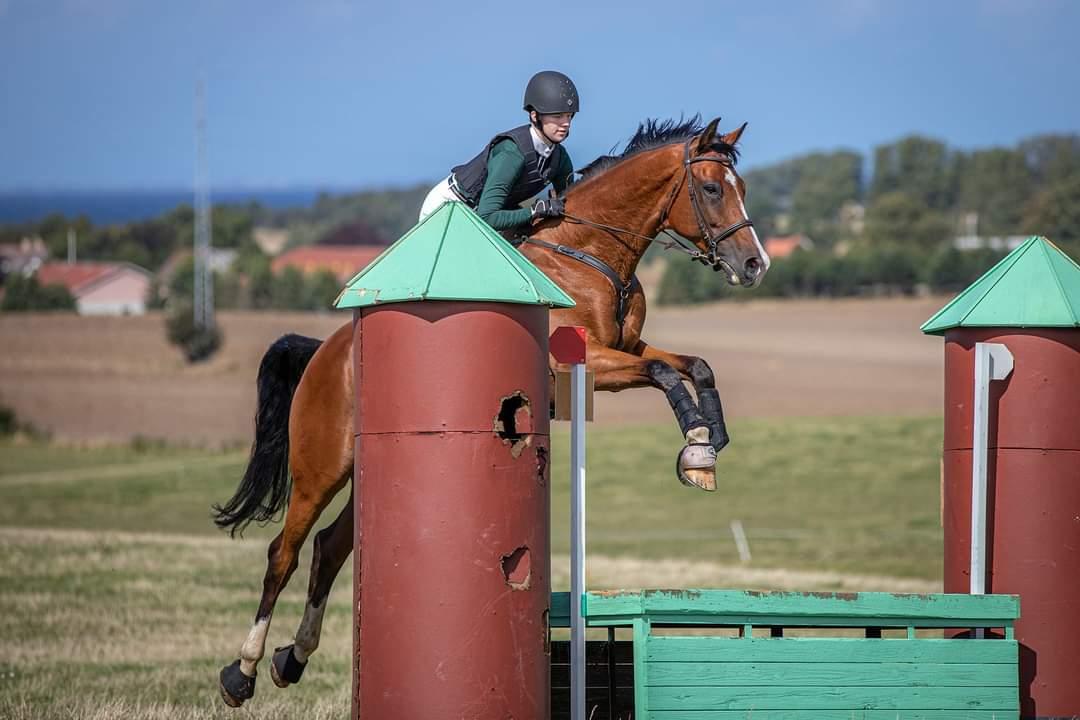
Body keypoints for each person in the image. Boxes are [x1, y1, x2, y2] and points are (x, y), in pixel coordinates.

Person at [418, 70, 577, 232]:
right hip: (450, 208)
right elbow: (487, 218)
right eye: (558, 116)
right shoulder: (511, 153)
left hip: (483, 213)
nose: (566, 123)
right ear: (535, 116)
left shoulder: (559, 158)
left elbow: (570, 202)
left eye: (569, 116)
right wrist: (534, 211)